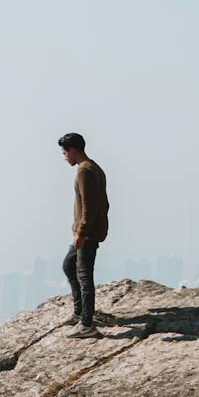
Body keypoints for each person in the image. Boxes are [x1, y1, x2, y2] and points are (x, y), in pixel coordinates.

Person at [59, 133, 108, 334]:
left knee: (84, 275)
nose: (64, 157)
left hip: (86, 233)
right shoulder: (95, 168)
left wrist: (82, 232)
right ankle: (80, 312)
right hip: (88, 230)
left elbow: (90, 206)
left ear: (73, 150)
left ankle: (87, 324)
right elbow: (104, 203)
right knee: (69, 265)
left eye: (64, 152)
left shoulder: (84, 172)